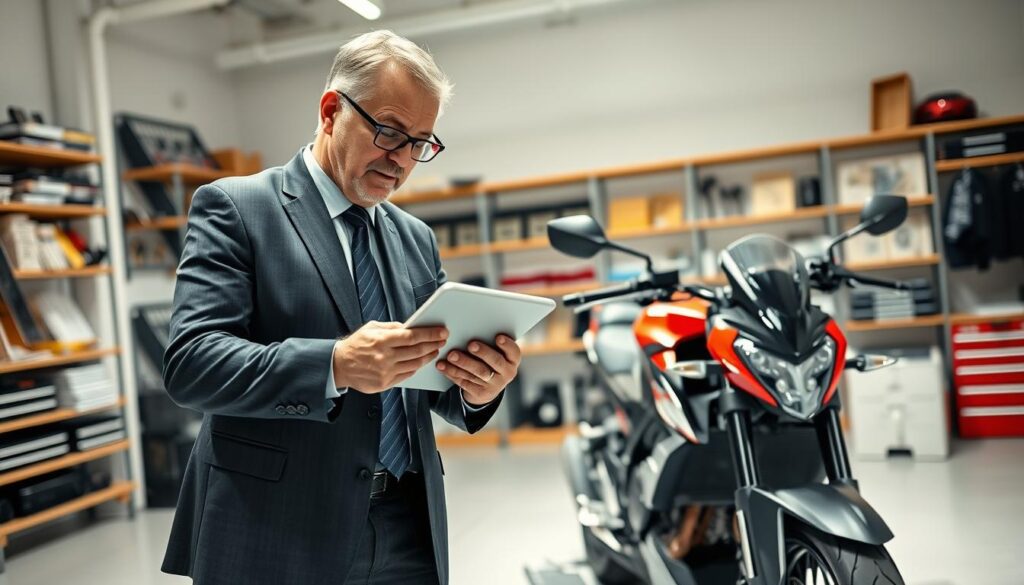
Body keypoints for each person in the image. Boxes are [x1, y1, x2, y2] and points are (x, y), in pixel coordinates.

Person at [160, 30, 518, 585]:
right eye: (389, 132)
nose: (402, 161)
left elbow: (432, 378)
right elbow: (193, 364)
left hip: (407, 525)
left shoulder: (414, 237)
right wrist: (334, 364)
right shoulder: (237, 207)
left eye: (420, 143)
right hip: (277, 528)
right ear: (331, 112)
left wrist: (479, 387)